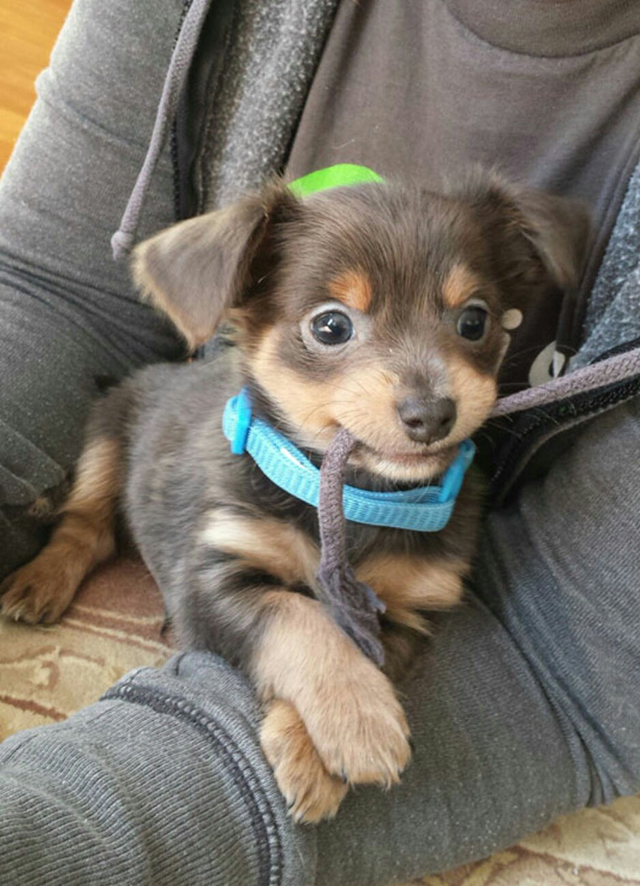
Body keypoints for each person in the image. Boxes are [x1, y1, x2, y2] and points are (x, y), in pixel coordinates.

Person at [1, 1, 640, 883]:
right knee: (117, 431)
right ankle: (79, 536)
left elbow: (419, 633)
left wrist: (316, 702)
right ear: (241, 315)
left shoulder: (445, 532)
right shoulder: (229, 473)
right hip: (148, 424)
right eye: (334, 327)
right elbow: (43, 288)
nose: (427, 397)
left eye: (471, 321)